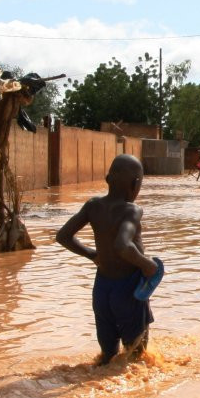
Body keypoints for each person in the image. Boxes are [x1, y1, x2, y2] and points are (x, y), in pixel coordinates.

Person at [56, 155, 160, 365]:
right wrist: (147, 265)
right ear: (135, 184)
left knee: (107, 357)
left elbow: (63, 236)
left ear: (107, 178)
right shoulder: (132, 210)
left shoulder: (93, 205)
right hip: (129, 290)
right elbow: (123, 245)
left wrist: (92, 255)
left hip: (102, 289)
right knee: (137, 358)